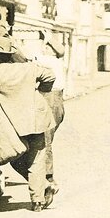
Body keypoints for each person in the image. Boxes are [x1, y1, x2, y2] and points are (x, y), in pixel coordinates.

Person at [0, 36, 56, 211]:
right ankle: (38, 199)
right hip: (37, 119)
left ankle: (42, 188)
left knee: (16, 160)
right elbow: (50, 75)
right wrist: (42, 91)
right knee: (37, 158)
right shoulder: (28, 68)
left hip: (13, 124)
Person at [35, 30, 67, 205]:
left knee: (45, 143)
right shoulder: (55, 62)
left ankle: (49, 181)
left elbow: (27, 58)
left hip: (50, 100)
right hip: (56, 101)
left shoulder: (49, 61)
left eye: (46, 46)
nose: (43, 48)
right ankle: (45, 179)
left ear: (51, 50)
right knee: (45, 142)